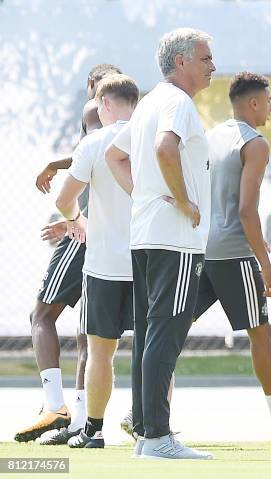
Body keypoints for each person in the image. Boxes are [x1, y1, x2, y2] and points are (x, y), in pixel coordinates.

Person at [106, 27, 215, 460]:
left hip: (147, 234)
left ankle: (146, 433)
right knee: (165, 335)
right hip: (174, 239)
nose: (212, 65)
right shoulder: (177, 102)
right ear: (182, 61)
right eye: (206, 58)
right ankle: (157, 437)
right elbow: (164, 149)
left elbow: (116, 156)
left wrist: (147, 195)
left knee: (151, 334)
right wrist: (184, 201)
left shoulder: (150, 100)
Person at [15, 64, 122, 444]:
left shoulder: (95, 109)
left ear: (97, 88)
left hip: (85, 230)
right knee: (88, 335)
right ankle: (82, 422)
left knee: (41, 314)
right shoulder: (133, 122)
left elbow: (93, 151)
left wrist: (55, 171)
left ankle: (54, 405)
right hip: (112, 233)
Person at [194, 72, 271, 444]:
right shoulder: (255, 144)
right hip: (233, 252)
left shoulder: (212, 136)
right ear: (254, 103)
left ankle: (143, 412)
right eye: (269, 101)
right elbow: (245, 211)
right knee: (261, 332)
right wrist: (266, 265)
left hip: (203, 249)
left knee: (171, 328)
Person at [54, 74, 139, 448]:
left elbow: (62, 200)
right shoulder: (152, 138)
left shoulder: (94, 141)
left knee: (100, 351)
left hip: (104, 262)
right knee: (154, 347)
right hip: (148, 261)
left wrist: (76, 219)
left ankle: (93, 430)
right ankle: (152, 426)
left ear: (105, 104)